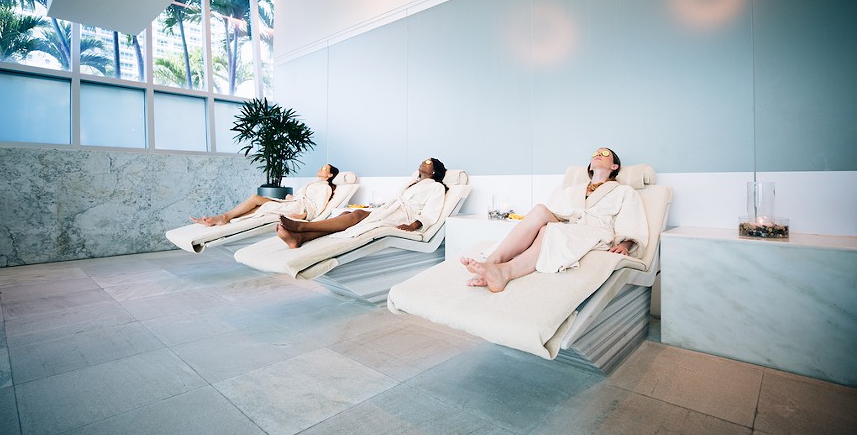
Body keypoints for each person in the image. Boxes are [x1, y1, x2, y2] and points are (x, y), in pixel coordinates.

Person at [461, 147, 648, 292]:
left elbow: (631, 220)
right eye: (595, 153)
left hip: (595, 231)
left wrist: (626, 244)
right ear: (590, 166)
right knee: (540, 210)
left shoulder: (624, 191)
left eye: (604, 153)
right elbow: (553, 213)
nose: (598, 154)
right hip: (568, 224)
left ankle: (505, 272)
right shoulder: (572, 190)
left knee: (548, 230)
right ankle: (492, 263)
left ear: (614, 166)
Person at [276, 158, 448, 248]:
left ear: (434, 170)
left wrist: (412, 226)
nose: (422, 162)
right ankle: (299, 238)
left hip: (402, 217)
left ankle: (302, 227)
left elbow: (430, 213)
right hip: (390, 211)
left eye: (428, 162)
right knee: (345, 214)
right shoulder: (412, 183)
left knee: (357, 214)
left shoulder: (436, 188)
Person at [190, 164, 340, 226]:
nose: (321, 168)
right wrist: (291, 198)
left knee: (262, 205)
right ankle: (224, 217)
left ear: (330, 174)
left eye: (325, 168)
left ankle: (223, 218)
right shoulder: (315, 183)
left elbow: (317, 207)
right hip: (292, 203)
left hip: (298, 209)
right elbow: (302, 197)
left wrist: (303, 215)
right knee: (256, 198)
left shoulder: (325, 188)